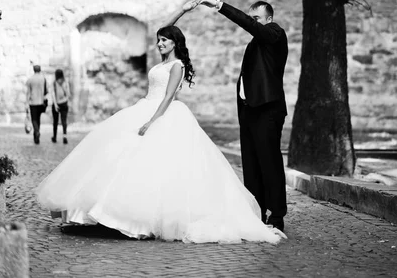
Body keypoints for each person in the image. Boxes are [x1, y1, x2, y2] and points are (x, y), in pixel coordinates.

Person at [36, 22, 285, 244]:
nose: (159, 44)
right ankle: (98, 213)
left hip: (163, 113)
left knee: (156, 167)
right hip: (144, 105)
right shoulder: (161, 64)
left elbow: (167, 97)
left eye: (164, 40)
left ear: (175, 43)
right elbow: (156, 79)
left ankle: (137, 220)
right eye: (158, 40)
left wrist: (152, 120)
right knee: (118, 157)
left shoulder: (177, 65)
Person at [189, 0, 288, 232]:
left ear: (269, 19)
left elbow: (252, 27)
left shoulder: (275, 33)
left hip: (267, 110)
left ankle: (276, 216)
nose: (253, 23)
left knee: (269, 164)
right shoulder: (257, 42)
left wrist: (220, 6)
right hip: (250, 111)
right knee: (251, 165)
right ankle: (257, 212)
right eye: (251, 18)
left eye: (257, 19)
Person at [26, 64, 48, 145]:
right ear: (40, 70)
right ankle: (36, 134)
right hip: (41, 102)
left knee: (34, 119)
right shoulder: (43, 79)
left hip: (33, 102)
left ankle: (37, 132)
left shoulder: (30, 79)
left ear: (34, 70)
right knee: (38, 118)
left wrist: (26, 103)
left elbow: (28, 93)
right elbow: (46, 91)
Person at [51, 69, 71, 145]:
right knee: (64, 121)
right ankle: (64, 136)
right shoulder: (65, 83)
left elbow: (53, 94)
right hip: (64, 103)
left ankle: (55, 137)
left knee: (55, 121)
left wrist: (55, 104)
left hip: (56, 104)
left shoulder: (54, 83)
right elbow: (68, 95)